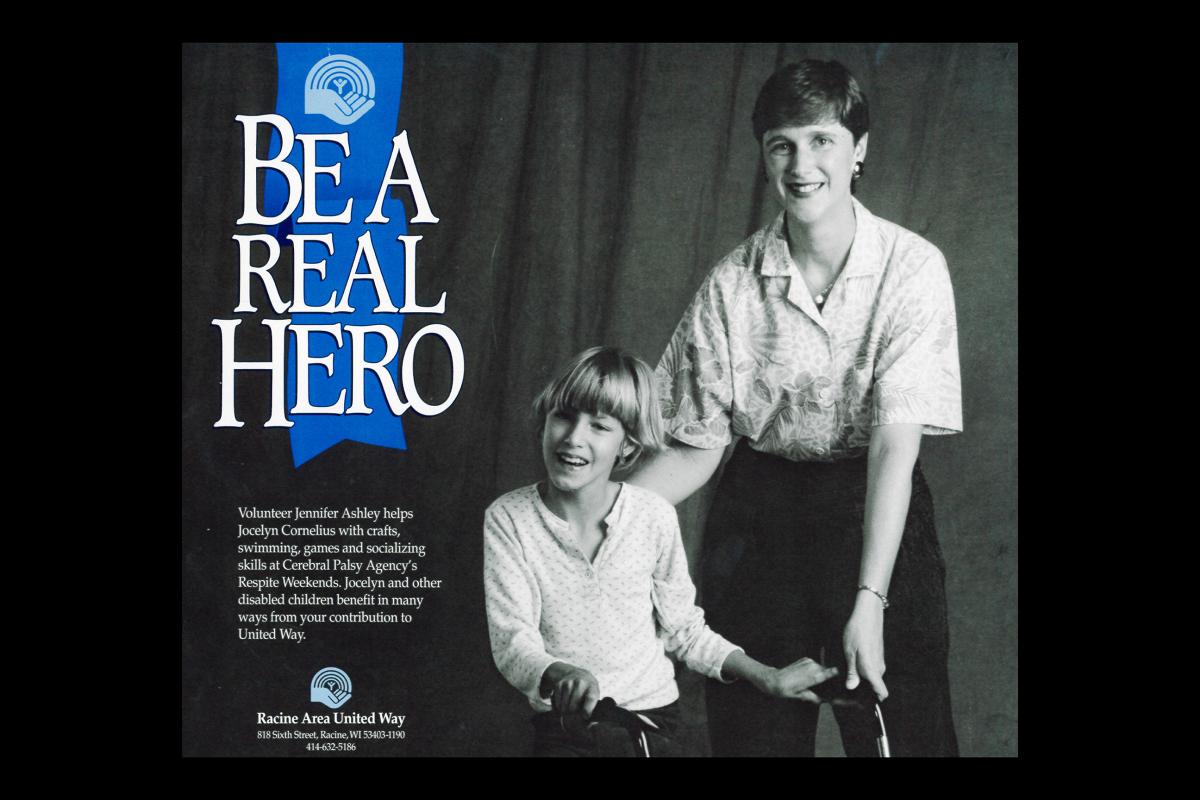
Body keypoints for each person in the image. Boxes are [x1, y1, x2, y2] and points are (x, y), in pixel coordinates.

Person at [629, 59, 962, 757]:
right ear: (764, 154)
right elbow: (697, 443)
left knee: (907, 732)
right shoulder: (730, 286)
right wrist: (595, 521)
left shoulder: (912, 267)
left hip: (871, 504)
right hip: (759, 516)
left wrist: (871, 601)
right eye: (781, 144)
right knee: (754, 735)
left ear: (858, 149)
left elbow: (894, 446)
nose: (800, 164)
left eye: (821, 141)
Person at [483, 346, 839, 756]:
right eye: (563, 416)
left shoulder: (651, 516)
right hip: (565, 729)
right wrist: (561, 673)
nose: (574, 437)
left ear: (627, 446)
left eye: (599, 426)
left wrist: (766, 676)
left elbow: (684, 629)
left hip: (654, 724)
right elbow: (513, 642)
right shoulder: (510, 518)